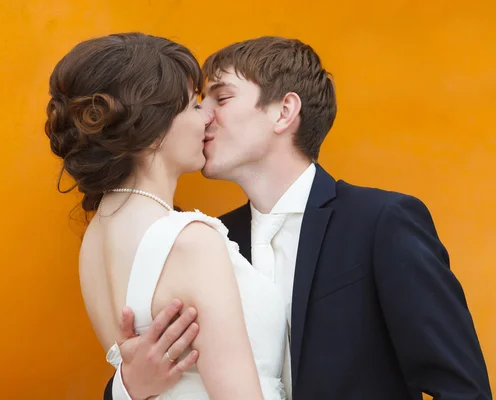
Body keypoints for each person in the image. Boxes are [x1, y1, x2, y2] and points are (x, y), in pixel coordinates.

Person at [105, 36, 492, 399]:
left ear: (284, 112)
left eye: (220, 98)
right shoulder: (208, 240)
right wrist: (128, 384)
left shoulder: (382, 223)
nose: (202, 116)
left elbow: (462, 387)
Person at [45, 33, 289, 399]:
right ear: (151, 127)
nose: (208, 115)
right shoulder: (191, 240)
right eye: (193, 104)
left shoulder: (95, 239)